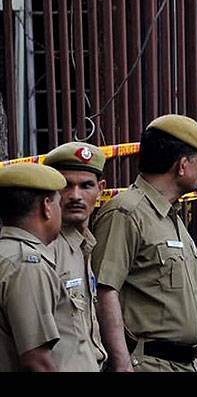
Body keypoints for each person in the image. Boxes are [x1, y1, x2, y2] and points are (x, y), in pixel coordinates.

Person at [92, 114, 197, 372]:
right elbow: (104, 291)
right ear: (182, 165)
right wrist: (122, 365)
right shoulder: (126, 212)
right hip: (148, 364)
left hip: (182, 364)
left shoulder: (170, 216)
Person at [44, 142, 109, 371]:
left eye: (86, 186)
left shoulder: (84, 243)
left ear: (101, 189)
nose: (75, 196)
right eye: (66, 186)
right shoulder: (48, 248)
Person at [0, 163, 67, 371]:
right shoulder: (27, 266)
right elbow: (37, 361)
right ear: (46, 207)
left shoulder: (6, 253)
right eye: (59, 203)